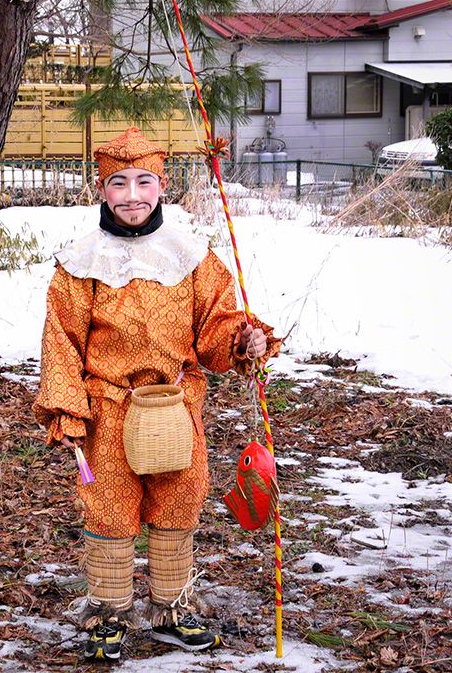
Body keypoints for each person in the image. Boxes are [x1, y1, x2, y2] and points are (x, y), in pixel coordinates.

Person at [33, 127, 280, 661]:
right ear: (102, 189)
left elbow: (216, 332)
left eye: (144, 181)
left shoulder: (191, 257)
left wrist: (244, 341)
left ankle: (171, 606)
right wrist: (67, 410)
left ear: (162, 185)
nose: (132, 195)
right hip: (107, 411)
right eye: (118, 183)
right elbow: (62, 341)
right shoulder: (79, 264)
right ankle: (109, 611)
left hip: (176, 407)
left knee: (178, 502)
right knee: (110, 509)